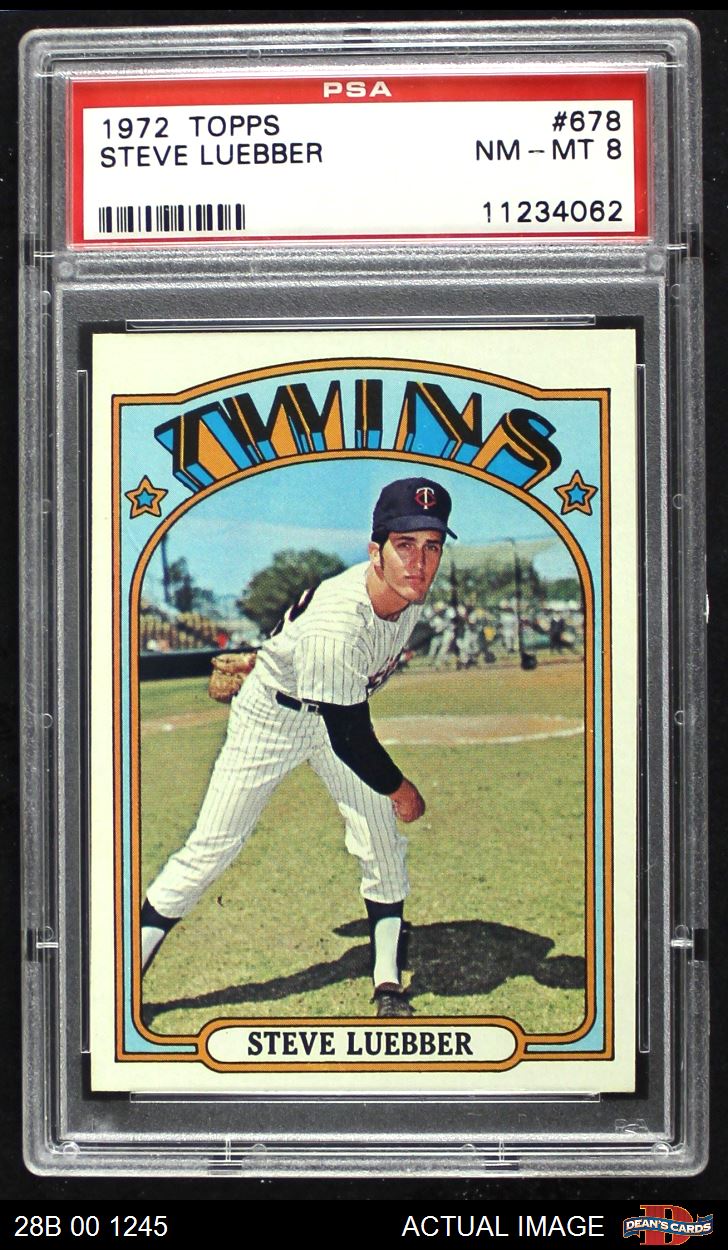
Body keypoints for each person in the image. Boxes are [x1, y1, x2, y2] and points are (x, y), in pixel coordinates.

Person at [140, 477, 457, 1018]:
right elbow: (350, 735)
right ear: (375, 552)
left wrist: (272, 654)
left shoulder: (407, 592)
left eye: (432, 546)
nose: (419, 562)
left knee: (380, 842)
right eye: (404, 545)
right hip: (273, 719)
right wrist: (401, 789)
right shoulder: (339, 622)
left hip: (326, 706)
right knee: (212, 847)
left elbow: (327, 675)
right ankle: (121, 974)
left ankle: (387, 982)